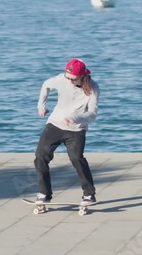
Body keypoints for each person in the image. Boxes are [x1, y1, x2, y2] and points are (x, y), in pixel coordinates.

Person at [33, 58, 100, 205]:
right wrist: (41, 105)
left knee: (77, 158)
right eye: (67, 77)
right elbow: (46, 85)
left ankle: (89, 194)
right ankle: (44, 193)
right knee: (40, 157)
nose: (69, 81)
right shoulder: (61, 79)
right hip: (55, 125)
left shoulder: (93, 88)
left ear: (83, 76)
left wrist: (75, 118)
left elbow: (92, 114)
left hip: (76, 129)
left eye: (73, 79)